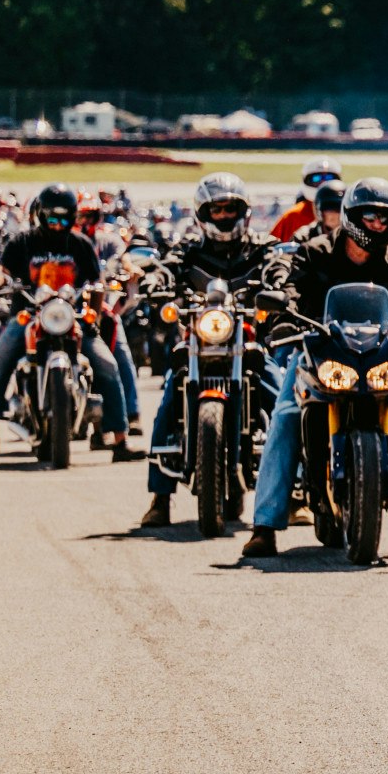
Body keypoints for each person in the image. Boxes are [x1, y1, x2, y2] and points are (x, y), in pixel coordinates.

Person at [241, 178, 388, 559]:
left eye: (384, 219)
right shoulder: (314, 254)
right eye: (370, 216)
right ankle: (265, 527)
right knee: (286, 418)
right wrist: (284, 318)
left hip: (380, 359)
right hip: (321, 356)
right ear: (352, 216)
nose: (377, 225)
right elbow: (291, 290)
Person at [135, 173, 279, 529]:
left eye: (231, 208)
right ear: (203, 213)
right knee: (170, 396)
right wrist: (157, 282)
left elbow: (280, 265)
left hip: (248, 340)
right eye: (217, 209)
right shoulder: (189, 250)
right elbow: (166, 268)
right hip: (199, 340)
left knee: (280, 394)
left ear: (243, 211)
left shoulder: (261, 247)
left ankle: (297, 488)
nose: (225, 215)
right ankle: (160, 496)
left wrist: (279, 283)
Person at [0, 183, 134, 466]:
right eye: (52, 218)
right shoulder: (22, 243)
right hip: (28, 316)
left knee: (108, 365)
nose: (58, 225)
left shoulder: (80, 245)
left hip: (71, 317)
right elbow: (1, 272)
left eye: (64, 219)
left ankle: (120, 439)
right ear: (40, 215)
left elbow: (96, 282)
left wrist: (93, 316)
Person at [269, 157, 343, 242]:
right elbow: (272, 246)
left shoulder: (346, 214)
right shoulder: (293, 216)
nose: (323, 183)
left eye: (329, 178)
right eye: (316, 179)